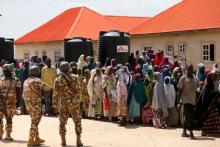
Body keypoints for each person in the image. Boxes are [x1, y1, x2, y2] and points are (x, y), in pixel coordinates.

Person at [52, 62, 83, 146]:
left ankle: (63, 141)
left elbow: (55, 94)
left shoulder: (58, 80)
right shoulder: (75, 77)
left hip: (64, 103)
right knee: (77, 121)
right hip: (74, 102)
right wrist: (76, 99)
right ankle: (78, 140)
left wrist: (54, 105)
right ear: (69, 68)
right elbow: (79, 90)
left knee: (62, 122)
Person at [23, 66, 50, 146]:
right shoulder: (37, 81)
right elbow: (47, 88)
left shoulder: (26, 81)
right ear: (37, 72)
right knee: (35, 121)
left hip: (27, 104)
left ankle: (37, 138)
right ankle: (31, 139)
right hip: (35, 103)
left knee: (34, 120)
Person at [195, 72, 220, 137]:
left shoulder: (210, 84)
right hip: (207, 106)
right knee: (208, 118)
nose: (213, 78)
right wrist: (215, 92)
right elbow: (207, 96)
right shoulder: (207, 85)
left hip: (211, 105)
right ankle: (205, 131)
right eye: (212, 76)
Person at [0, 64, 21, 141]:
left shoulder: (16, 80)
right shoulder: (0, 79)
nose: (5, 72)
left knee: (9, 119)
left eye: (7, 71)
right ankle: (0, 133)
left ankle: (8, 134)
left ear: (11, 71)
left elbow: (19, 91)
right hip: (1, 103)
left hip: (11, 103)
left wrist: (18, 102)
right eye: (4, 71)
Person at [178, 64, 198, 139]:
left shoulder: (195, 78)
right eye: (189, 69)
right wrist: (178, 102)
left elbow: (197, 89)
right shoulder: (183, 78)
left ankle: (184, 132)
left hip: (193, 100)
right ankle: (191, 133)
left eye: (191, 69)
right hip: (186, 100)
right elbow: (179, 91)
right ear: (186, 69)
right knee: (189, 116)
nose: (190, 70)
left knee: (187, 116)